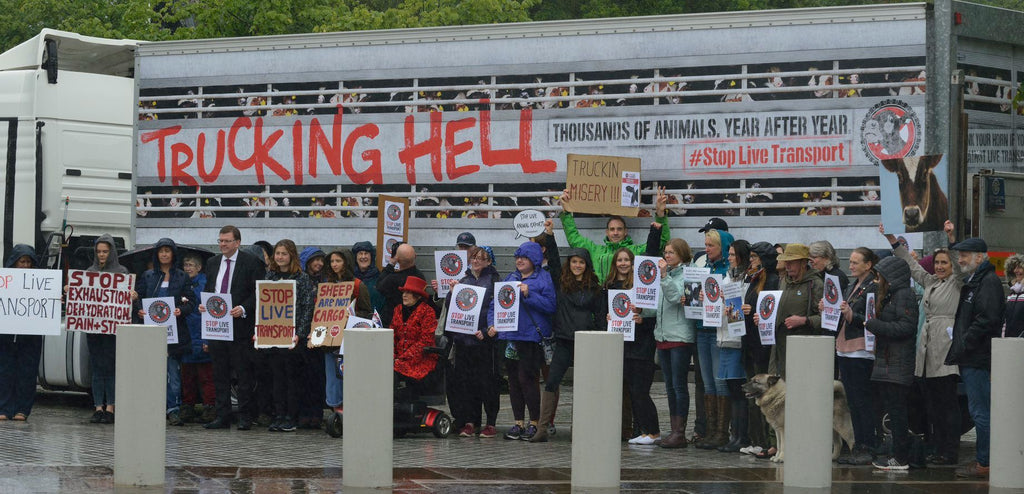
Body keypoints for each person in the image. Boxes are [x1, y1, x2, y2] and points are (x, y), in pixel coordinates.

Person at [885, 221, 963, 465]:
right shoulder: (931, 282)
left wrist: (951, 239)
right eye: (937, 262)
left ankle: (949, 451)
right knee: (932, 405)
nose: (940, 267)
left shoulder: (956, 283)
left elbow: (961, 267)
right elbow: (912, 266)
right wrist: (892, 240)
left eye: (944, 263)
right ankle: (935, 447)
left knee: (947, 404)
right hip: (928, 347)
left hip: (945, 346)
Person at [946, 235, 1006, 479]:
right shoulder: (976, 280)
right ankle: (985, 458)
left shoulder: (988, 282)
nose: (959, 260)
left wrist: (965, 342)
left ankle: (986, 461)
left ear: (979, 257)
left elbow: (987, 319)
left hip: (978, 357)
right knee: (979, 410)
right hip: (972, 355)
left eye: (964, 256)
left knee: (981, 411)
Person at [531, 247, 604, 443]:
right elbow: (554, 260)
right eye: (574, 262)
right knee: (551, 382)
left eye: (581, 262)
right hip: (563, 341)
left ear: (586, 265)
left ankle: (579, 427)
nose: (577, 265)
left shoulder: (596, 289)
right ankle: (542, 428)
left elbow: (600, 318)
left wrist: (598, 337)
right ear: (569, 264)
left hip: (586, 341)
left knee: (583, 386)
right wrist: (549, 235)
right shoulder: (561, 282)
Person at [200, 225, 266, 431]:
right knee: (219, 373)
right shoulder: (212, 263)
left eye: (226, 241)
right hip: (217, 326)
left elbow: (258, 292)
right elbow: (210, 289)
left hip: (240, 327)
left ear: (237, 242)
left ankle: (246, 416)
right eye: (220, 240)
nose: (222, 244)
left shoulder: (251, 262)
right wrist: (204, 305)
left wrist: (244, 308)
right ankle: (223, 415)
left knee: (243, 373)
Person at [488, 241, 556, 441]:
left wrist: (529, 294)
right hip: (510, 337)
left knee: (528, 380)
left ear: (534, 259)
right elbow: (495, 304)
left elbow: (551, 306)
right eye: (517, 257)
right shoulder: (511, 278)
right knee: (514, 381)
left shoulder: (544, 278)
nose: (519, 260)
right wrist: (492, 324)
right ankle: (518, 422)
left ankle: (534, 422)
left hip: (530, 338)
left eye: (524, 257)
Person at [133, 238, 194, 426]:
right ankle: (152, 408)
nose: (165, 254)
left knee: (173, 374)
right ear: (157, 254)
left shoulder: (182, 277)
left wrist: (180, 310)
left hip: (174, 333)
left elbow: (191, 302)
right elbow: (139, 298)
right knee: (152, 372)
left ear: (173, 254)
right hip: (151, 332)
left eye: (168, 251)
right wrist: (139, 310)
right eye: (161, 251)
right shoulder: (148, 276)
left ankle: (173, 409)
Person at [866, 256, 919, 471]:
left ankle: (900, 458)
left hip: (898, 363)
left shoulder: (903, 295)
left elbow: (906, 327)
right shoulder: (892, 295)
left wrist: (875, 325)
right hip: (889, 362)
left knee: (898, 412)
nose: (877, 280)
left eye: (880, 276)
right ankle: (897, 455)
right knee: (894, 410)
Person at [445, 246, 502, 439]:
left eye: (482, 258)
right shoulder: (464, 280)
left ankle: (491, 422)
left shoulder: (495, 281)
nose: (476, 261)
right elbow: (453, 309)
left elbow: (499, 309)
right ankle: (471, 421)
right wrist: (452, 293)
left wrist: (487, 332)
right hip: (465, 341)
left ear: (489, 262)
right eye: (474, 257)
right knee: (467, 383)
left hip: (485, 342)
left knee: (488, 383)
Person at [829, 247, 879, 465]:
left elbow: (871, 317)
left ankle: (867, 444)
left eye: (855, 262)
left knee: (862, 401)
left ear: (868, 265)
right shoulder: (853, 285)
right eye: (850, 262)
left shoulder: (873, 287)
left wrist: (851, 314)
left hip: (860, 349)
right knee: (853, 401)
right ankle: (859, 443)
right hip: (845, 347)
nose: (850, 266)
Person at [558, 187, 670, 280]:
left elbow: (660, 243)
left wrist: (660, 215)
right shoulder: (596, 250)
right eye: (612, 229)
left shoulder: (635, 251)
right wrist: (566, 211)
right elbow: (574, 239)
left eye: (619, 229)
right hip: (601, 298)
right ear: (607, 232)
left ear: (625, 232)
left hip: (625, 300)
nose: (615, 233)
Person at [261, 240, 314, 432]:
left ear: (291, 255)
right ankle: (279, 414)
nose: (280, 257)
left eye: (284, 253)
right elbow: (263, 307)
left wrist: (299, 333)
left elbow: (308, 308)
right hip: (273, 337)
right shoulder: (270, 276)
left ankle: (291, 416)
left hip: (293, 339)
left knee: (292, 379)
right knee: (277, 378)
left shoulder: (302, 278)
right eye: (277, 253)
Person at [693, 228, 734, 450]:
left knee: (719, 380)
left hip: (719, 329)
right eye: (706, 245)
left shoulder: (729, 270)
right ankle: (710, 430)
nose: (706, 249)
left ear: (723, 248)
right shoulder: (705, 268)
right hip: (702, 328)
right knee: (708, 381)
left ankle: (721, 431)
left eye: (711, 246)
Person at [654, 238, 696, 448]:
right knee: (669, 386)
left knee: (679, 385)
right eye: (665, 252)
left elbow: (675, 297)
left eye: (671, 252)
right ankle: (673, 430)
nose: (667, 256)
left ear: (681, 254)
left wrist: (663, 276)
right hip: (663, 335)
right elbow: (659, 304)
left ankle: (680, 431)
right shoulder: (669, 275)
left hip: (679, 335)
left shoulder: (687, 274)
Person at [740, 242, 779, 458]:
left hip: (763, 344)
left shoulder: (772, 280)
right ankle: (758, 439)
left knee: (763, 392)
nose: (751, 260)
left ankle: (766, 440)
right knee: (752, 392)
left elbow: (770, 309)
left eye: (755, 257)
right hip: (751, 341)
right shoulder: (755, 279)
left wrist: (753, 311)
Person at [322, 250, 373, 417]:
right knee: (332, 377)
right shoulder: (327, 285)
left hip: (350, 340)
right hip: (331, 340)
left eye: (338, 261)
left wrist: (352, 317)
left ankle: (352, 409)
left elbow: (367, 312)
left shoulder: (358, 285)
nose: (334, 264)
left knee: (349, 376)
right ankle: (335, 409)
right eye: (332, 261)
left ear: (346, 262)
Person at [84, 234, 129, 424]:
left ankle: (110, 407)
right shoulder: (89, 271)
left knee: (110, 367)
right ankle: (98, 407)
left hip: (112, 330)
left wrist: (132, 295)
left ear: (111, 252)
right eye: (99, 252)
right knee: (97, 368)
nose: (102, 255)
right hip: (93, 329)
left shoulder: (122, 272)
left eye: (105, 251)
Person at [0, 245, 44, 421]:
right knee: (5, 370)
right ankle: (3, 407)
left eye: (28, 262)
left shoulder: (40, 281)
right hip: (6, 334)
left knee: (27, 372)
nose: (25, 265)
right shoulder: (4, 280)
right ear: (14, 263)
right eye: (22, 261)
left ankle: (22, 409)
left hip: (31, 335)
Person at [769, 243, 823, 378]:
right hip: (779, 345)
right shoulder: (783, 281)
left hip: (803, 345)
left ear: (804, 263)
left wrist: (804, 320)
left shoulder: (815, 284)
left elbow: (826, 318)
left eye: (792, 262)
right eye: (786, 262)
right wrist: (766, 317)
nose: (787, 266)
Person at [717, 239, 750, 453]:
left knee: (739, 390)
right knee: (731, 388)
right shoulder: (726, 278)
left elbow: (742, 308)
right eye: (728, 255)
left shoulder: (747, 280)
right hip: (724, 338)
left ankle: (742, 436)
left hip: (738, 339)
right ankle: (734, 434)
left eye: (732, 255)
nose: (728, 258)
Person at [180, 253, 216, 424]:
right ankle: (188, 406)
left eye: (191, 265)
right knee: (187, 378)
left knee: (206, 377)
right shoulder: (182, 283)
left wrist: (208, 339)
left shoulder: (205, 285)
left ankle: (209, 407)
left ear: (199, 267)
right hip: (186, 337)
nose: (188, 268)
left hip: (202, 337)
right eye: (185, 265)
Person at [392, 276, 439, 385]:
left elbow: (425, 341)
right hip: (398, 358)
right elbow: (392, 335)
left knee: (393, 370)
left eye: (408, 292)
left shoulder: (427, 312)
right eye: (404, 292)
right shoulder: (398, 310)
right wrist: (392, 356)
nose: (404, 295)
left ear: (417, 296)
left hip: (420, 359)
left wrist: (402, 358)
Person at [377, 243, 428, 327]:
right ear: (415, 256)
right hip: (414, 322)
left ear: (398, 259)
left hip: (392, 322)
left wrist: (390, 265)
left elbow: (379, 286)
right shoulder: (420, 276)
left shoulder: (392, 279)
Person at [351, 241, 385, 313]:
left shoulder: (379, 278)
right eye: (360, 254)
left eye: (366, 253)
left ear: (371, 257)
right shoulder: (350, 278)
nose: (363, 257)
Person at [1004, 254, 1024, 338]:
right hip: (1010, 343)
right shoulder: (1012, 293)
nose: (1016, 270)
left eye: (1019, 267)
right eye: (1014, 268)